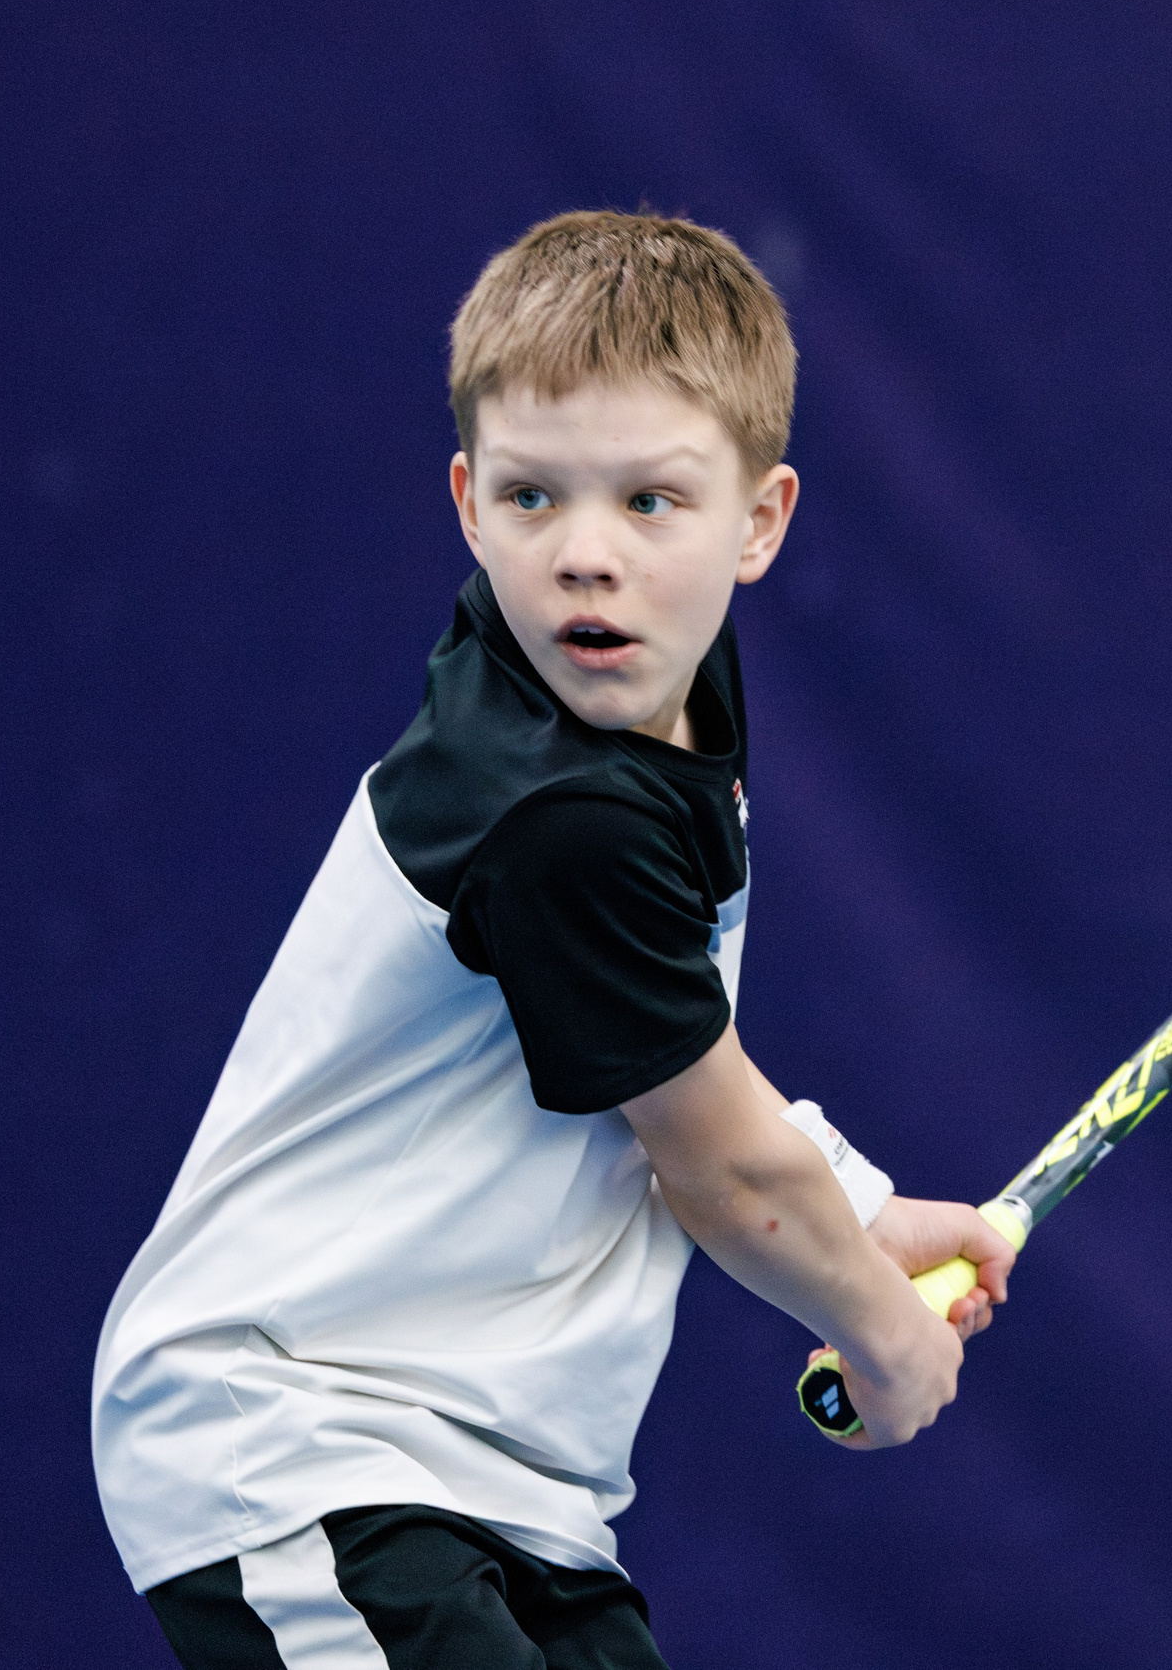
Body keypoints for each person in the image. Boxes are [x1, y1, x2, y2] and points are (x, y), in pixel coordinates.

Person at [91, 209, 1018, 1670]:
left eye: (651, 502)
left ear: (759, 522)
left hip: (508, 1479)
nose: (587, 555)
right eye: (534, 499)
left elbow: (668, 1040)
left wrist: (860, 1209)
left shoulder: (668, 688)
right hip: (299, 1439)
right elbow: (713, 1164)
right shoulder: (553, 806)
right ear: (468, 504)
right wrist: (882, 1335)